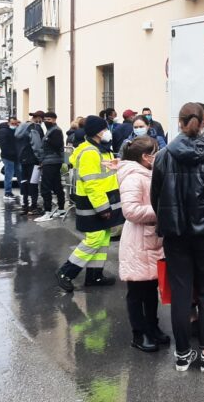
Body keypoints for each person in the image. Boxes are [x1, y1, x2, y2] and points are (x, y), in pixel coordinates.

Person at [151, 102, 204, 373]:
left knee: (182, 294)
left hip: (175, 234)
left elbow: (156, 196)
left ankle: (182, 355)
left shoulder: (163, 155)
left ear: (179, 123)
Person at [56, 115, 125, 292]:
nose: (108, 132)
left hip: (104, 200)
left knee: (103, 239)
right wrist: (102, 207)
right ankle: (66, 272)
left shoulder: (101, 148)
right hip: (94, 203)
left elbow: (104, 175)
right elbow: (92, 183)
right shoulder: (89, 152)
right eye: (105, 129)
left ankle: (95, 275)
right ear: (97, 133)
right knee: (94, 240)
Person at [118, 136, 169, 353]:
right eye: (156, 151)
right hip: (137, 241)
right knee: (137, 291)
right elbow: (130, 211)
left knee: (150, 289)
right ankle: (139, 334)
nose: (159, 155)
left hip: (152, 239)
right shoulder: (132, 177)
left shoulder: (148, 173)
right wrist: (162, 211)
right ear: (145, 157)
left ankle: (152, 327)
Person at [15, 110, 44, 215]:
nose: (43, 121)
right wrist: (40, 159)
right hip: (33, 159)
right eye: (42, 119)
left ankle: (24, 205)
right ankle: (33, 207)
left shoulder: (21, 127)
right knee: (33, 182)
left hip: (22, 158)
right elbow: (36, 145)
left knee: (24, 181)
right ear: (39, 118)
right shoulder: (35, 128)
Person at [39, 112, 66, 217]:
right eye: (45, 119)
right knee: (56, 185)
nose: (46, 121)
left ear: (54, 120)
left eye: (49, 119)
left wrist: (47, 139)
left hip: (52, 162)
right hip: (50, 161)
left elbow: (57, 144)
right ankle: (61, 209)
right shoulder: (50, 130)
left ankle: (48, 211)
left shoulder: (56, 131)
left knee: (46, 187)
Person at [0, 117, 21, 202]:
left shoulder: (15, 130)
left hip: (16, 156)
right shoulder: (4, 131)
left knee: (19, 173)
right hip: (8, 157)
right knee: (9, 174)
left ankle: (23, 192)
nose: (14, 125)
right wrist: (11, 153)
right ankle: (7, 193)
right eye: (12, 123)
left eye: (15, 123)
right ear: (8, 123)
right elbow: (3, 145)